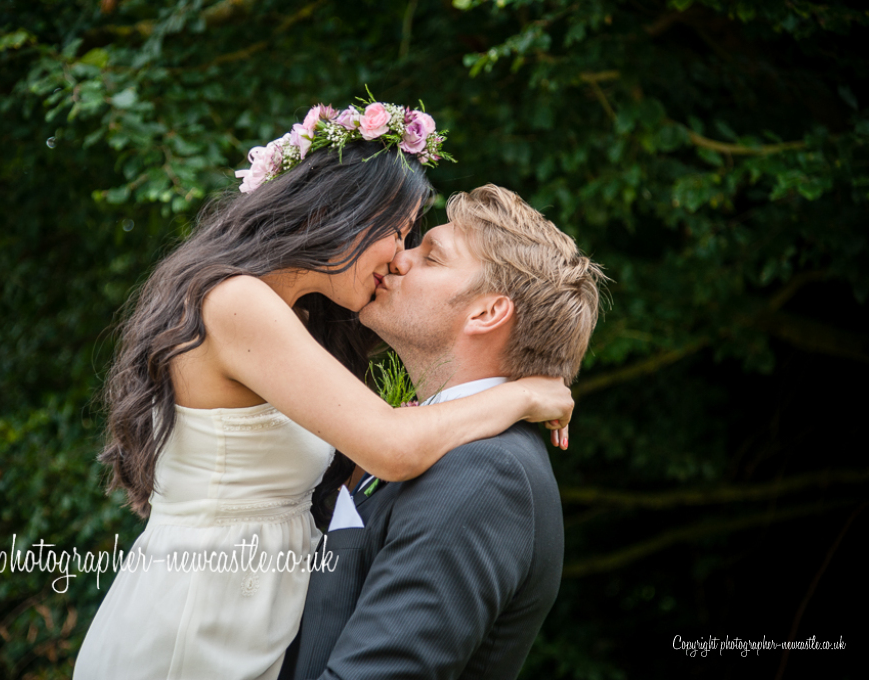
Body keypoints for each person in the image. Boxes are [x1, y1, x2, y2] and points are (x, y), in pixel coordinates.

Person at [72, 103, 574, 680]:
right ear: (344, 209)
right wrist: (522, 395)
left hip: (246, 614)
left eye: (419, 244)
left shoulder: (296, 319)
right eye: (398, 232)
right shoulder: (238, 302)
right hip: (198, 618)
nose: (399, 257)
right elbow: (393, 445)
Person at [279, 184, 606, 680]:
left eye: (431, 257)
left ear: (487, 313)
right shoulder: (428, 442)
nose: (398, 259)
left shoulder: (486, 475)